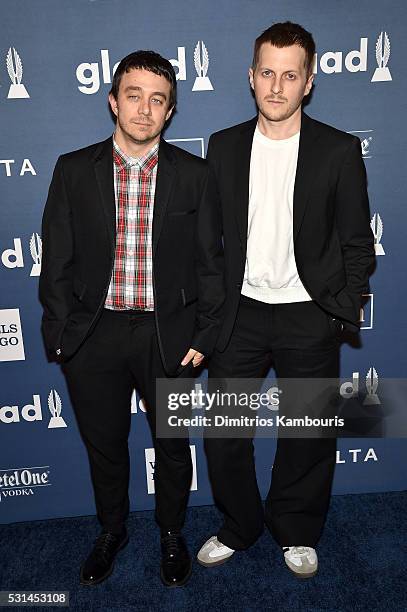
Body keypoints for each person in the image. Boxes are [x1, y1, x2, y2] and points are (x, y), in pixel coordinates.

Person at [39, 50, 224, 587]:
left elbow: (213, 263)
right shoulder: (74, 170)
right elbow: (57, 260)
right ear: (113, 101)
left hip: (170, 337)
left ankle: (171, 533)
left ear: (170, 112)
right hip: (94, 335)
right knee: (105, 443)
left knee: (171, 445)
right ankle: (111, 530)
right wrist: (61, 335)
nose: (145, 109)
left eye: (158, 100)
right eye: (135, 96)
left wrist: (205, 334)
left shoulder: (196, 175)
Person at [197, 22, 375, 578]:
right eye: (267, 73)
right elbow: (207, 243)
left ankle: (296, 529)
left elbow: (356, 243)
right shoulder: (223, 147)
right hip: (240, 314)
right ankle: (239, 526)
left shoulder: (338, 150)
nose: (277, 86)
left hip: (309, 314)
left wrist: (337, 308)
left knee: (309, 433)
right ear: (251, 77)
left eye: (289, 75)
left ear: (309, 82)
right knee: (226, 434)